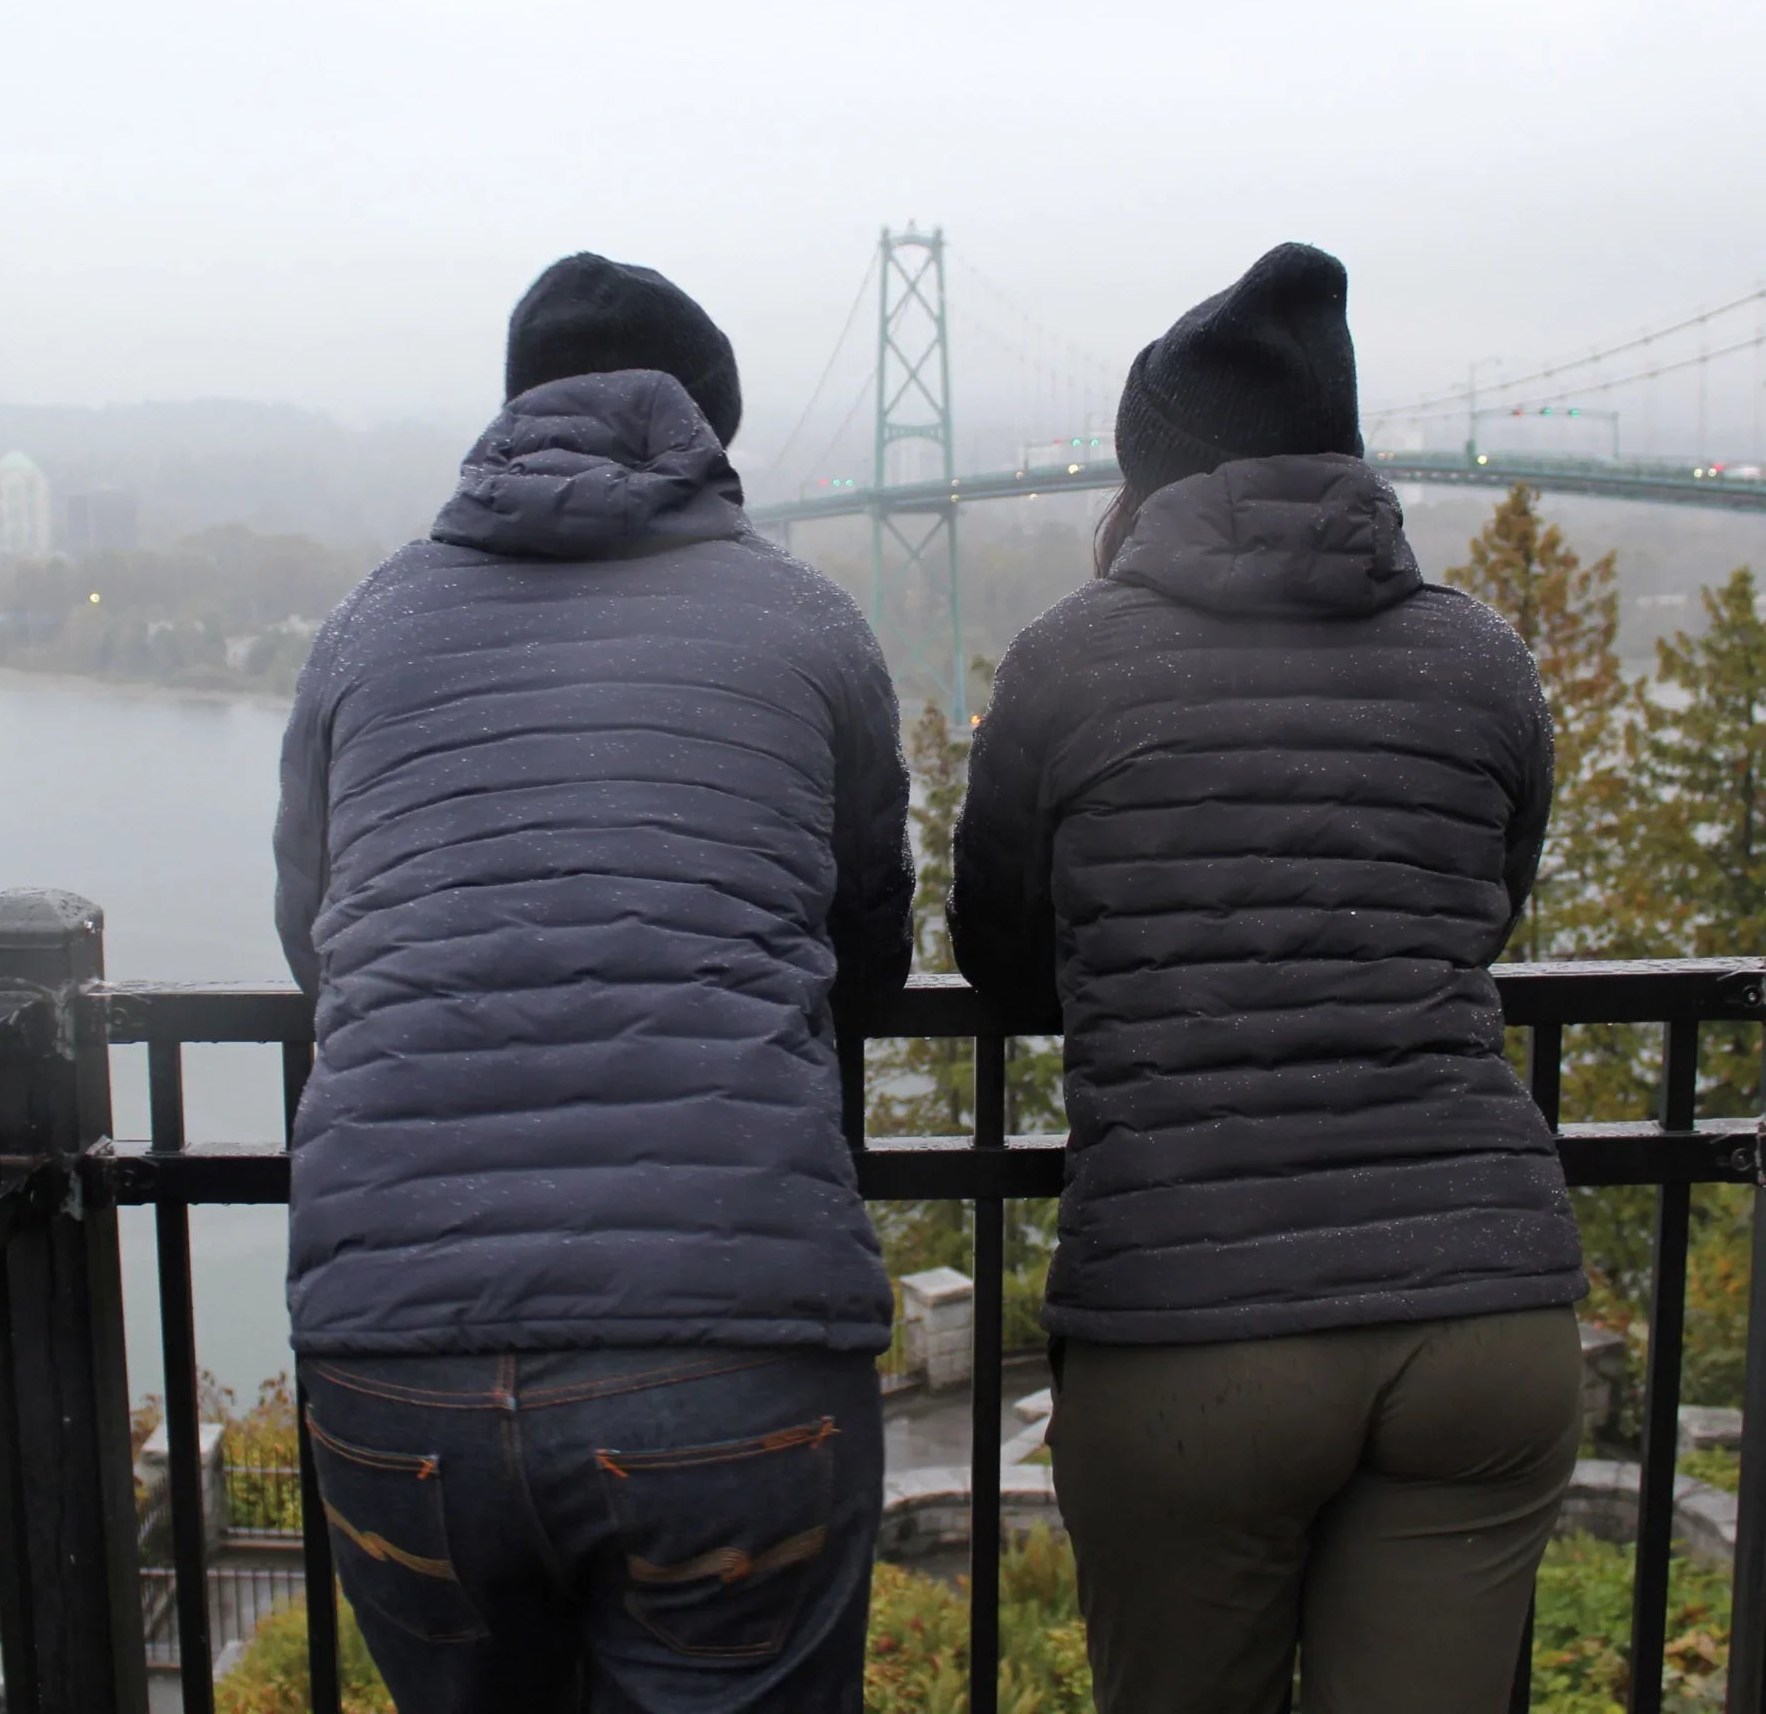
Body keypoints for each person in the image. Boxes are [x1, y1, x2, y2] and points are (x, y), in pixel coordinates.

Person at [949, 243, 1586, 1714]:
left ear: (1148, 479)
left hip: (1189, 1317)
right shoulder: (1480, 658)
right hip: (1484, 1315)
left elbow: (1002, 967)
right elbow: (1477, 916)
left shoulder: (1067, 663)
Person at [273, 253, 912, 1714]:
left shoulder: (367, 630)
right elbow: (866, 945)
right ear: (707, 435)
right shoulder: (809, 625)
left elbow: (317, 940)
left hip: (394, 1355)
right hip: (729, 1342)